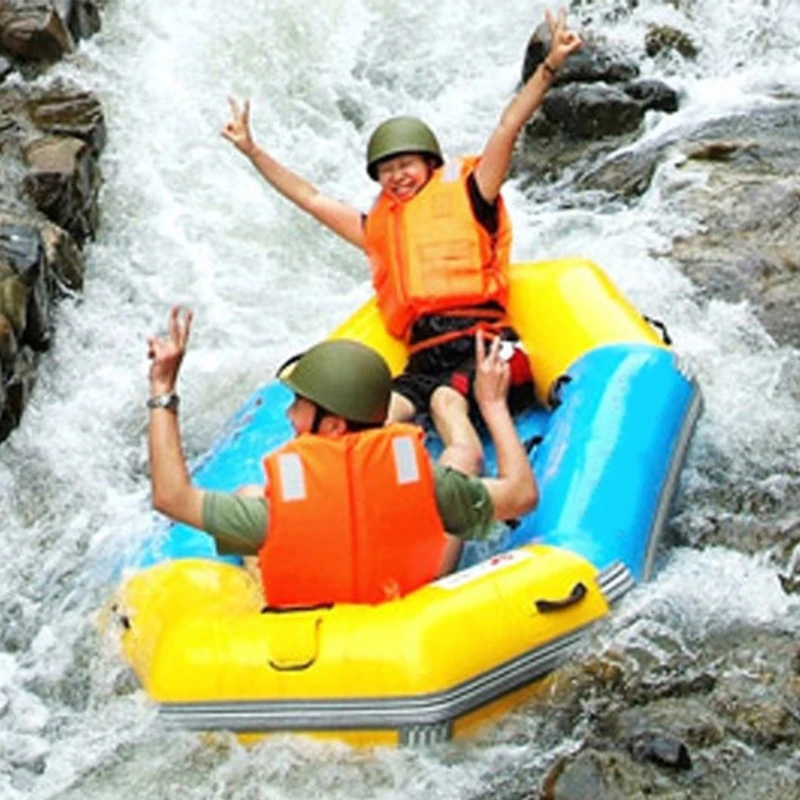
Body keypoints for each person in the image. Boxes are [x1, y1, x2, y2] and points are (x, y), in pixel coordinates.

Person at [221, 8, 583, 478]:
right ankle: (341, 499)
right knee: (376, 415)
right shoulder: (380, 227)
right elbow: (310, 198)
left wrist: (550, 65)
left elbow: (506, 127)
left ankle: (461, 478)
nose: (398, 177)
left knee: (447, 402)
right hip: (424, 357)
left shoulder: (474, 193)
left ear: (430, 164)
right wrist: (253, 151)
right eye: (387, 171)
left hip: (484, 346)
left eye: (406, 165)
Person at [147, 306, 537, 607]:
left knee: (250, 492)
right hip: (410, 614)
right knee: (463, 458)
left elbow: (170, 496)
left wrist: (163, 389)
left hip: (314, 639)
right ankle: (448, 405)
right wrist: (493, 405)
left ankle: (446, 404)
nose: (289, 415)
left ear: (333, 425)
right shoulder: (427, 487)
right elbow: (521, 494)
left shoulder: (274, 512)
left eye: (299, 405)